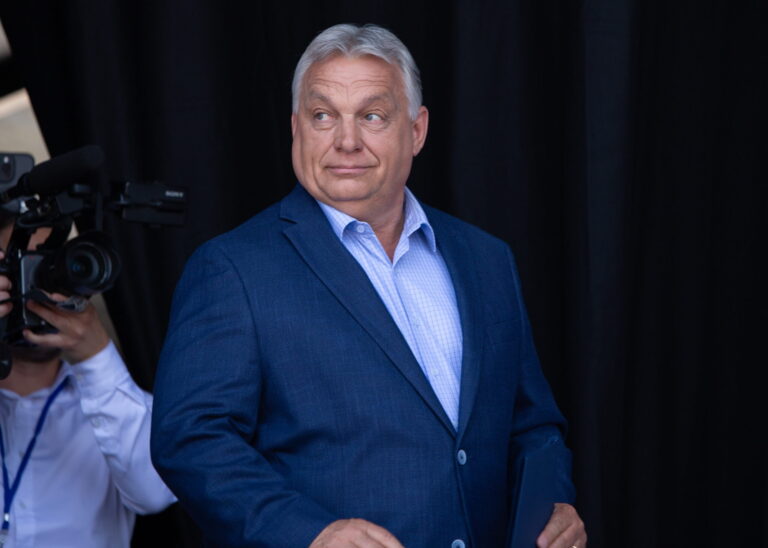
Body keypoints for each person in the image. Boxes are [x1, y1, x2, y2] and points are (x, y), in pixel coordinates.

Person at [151, 23, 587, 548]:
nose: (346, 141)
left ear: (417, 130)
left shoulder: (487, 259)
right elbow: (191, 439)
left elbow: (532, 422)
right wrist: (308, 533)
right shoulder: (232, 269)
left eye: (372, 116)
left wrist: (554, 501)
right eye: (323, 116)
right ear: (296, 128)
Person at [0, 213, 176, 547]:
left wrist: (95, 355)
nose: (38, 287)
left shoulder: (121, 403)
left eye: (49, 266)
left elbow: (154, 493)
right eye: (21, 266)